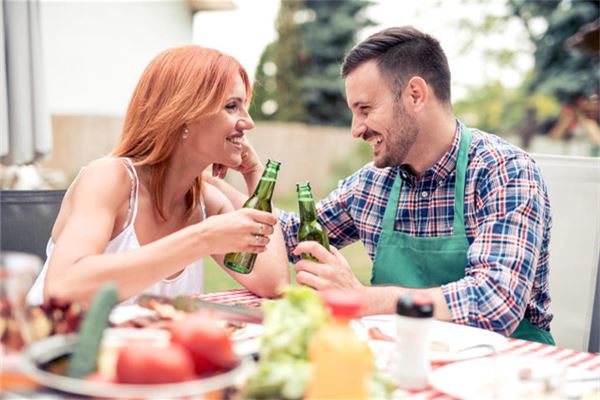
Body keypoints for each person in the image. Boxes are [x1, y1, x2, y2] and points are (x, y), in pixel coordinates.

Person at [209, 26, 554, 344]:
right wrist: (232, 176)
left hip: (507, 374)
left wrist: (365, 299)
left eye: (365, 109)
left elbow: (496, 302)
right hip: (401, 360)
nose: (356, 129)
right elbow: (289, 238)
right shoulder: (373, 184)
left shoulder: (504, 171)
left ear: (416, 95)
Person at [27, 45, 289, 306]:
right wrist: (202, 239)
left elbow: (274, 283)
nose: (248, 122)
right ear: (185, 115)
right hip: (51, 343)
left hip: (134, 346)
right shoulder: (110, 179)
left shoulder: (205, 202)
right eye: (232, 106)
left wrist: (257, 176)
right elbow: (62, 288)